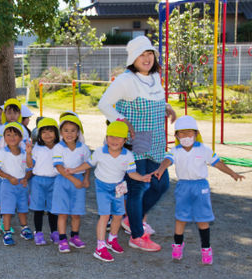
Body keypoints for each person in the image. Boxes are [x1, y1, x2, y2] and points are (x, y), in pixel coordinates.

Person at [98, 35, 176, 252]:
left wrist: (167, 106)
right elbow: (103, 104)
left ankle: (132, 218)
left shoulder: (155, 77)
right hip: (137, 142)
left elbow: (154, 98)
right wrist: (122, 123)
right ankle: (137, 235)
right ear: (133, 58)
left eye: (149, 53)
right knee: (138, 187)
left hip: (157, 140)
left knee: (161, 184)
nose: (147, 58)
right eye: (142, 54)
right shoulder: (125, 80)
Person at [153, 115, 245, 265]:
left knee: (203, 219)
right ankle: (177, 245)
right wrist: (161, 169)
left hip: (200, 186)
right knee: (181, 218)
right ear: (176, 135)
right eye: (181, 133)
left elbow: (218, 163)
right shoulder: (175, 150)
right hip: (183, 186)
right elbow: (167, 160)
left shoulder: (204, 149)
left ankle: (206, 248)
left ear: (196, 133)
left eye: (189, 132)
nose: (186, 136)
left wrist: (233, 173)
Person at [67, 121, 152, 262]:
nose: (114, 141)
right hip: (102, 187)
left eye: (119, 138)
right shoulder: (100, 152)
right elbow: (88, 164)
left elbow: (131, 173)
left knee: (118, 215)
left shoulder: (128, 156)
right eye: (111, 137)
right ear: (106, 138)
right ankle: (100, 247)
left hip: (119, 186)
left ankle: (112, 240)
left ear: (125, 140)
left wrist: (142, 178)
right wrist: (74, 170)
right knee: (105, 216)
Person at [51, 115, 90, 253]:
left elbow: (87, 165)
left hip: (79, 181)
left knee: (76, 213)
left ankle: (74, 237)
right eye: (66, 130)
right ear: (61, 132)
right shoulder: (58, 148)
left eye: (73, 130)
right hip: (63, 181)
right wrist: (74, 180)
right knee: (63, 213)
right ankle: (62, 239)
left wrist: (85, 179)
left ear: (78, 132)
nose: (69, 134)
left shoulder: (84, 148)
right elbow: (59, 167)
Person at [0, 122, 34, 246]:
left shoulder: (24, 152)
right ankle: (7, 232)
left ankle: (24, 228)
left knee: (23, 208)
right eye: (8, 135)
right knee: (7, 210)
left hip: (22, 185)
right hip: (8, 185)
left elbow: (30, 167)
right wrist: (9, 177)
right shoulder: (2, 152)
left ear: (21, 138)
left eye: (15, 135)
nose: (12, 137)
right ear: (4, 137)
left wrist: (26, 177)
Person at [26, 117, 60, 245]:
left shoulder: (60, 147)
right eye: (44, 132)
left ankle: (54, 232)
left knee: (53, 208)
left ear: (56, 133)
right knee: (38, 208)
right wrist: (28, 153)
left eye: (50, 131)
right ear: (39, 134)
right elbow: (30, 165)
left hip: (55, 180)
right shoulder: (37, 148)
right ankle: (38, 233)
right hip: (38, 181)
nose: (47, 135)